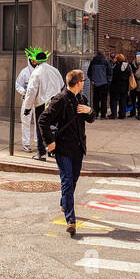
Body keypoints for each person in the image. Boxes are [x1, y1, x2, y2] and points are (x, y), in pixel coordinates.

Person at [38, 69, 94, 236]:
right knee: (67, 181)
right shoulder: (60, 100)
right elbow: (43, 120)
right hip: (63, 148)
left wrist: (88, 111)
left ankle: (64, 201)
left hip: (78, 147)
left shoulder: (82, 99)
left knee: (73, 180)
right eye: (83, 80)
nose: (84, 83)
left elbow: (91, 119)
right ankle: (71, 219)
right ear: (78, 83)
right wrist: (50, 142)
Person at [23, 50, 64, 159]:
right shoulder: (55, 70)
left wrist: (27, 108)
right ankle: (53, 151)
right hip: (56, 102)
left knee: (41, 128)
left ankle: (41, 153)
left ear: (36, 61)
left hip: (42, 104)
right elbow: (62, 84)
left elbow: (31, 91)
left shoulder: (36, 73)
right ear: (45, 59)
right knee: (53, 127)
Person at [15, 49, 39, 151]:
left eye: (36, 60)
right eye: (32, 60)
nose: (34, 62)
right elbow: (17, 84)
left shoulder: (41, 71)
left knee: (39, 122)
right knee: (26, 121)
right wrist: (24, 91)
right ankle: (26, 143)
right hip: (27, 100)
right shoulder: (24, 72)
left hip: (38, 101)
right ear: (29, 60)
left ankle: (39, 142)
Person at [87, 49, 113, 119]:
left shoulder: (93, 61)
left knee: (96, 99)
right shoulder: (106, 61)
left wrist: (92, 80)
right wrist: (108, 81)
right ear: (103, 54)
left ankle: (95, 114)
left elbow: (89, 72)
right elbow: (110, 72)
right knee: (104, 100)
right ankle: (103, 115)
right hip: (104, 83)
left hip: (95, 83)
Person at [109, 53, 131, 119]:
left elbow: (114, 78)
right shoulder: (127, 66)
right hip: (125, 86)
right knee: (123, 100)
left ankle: (114, 114)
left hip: (116, 86)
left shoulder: (117, 67)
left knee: (114, 100)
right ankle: (122, 115)